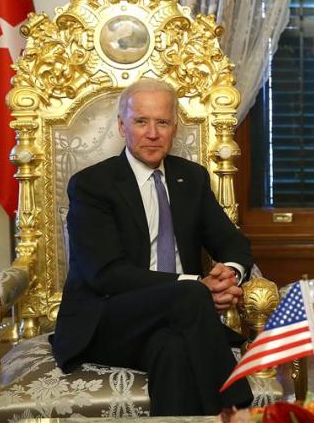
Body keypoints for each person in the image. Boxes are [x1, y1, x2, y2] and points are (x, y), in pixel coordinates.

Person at [51, 78, 254, 415]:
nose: (152, 133)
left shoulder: (191, 178)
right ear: (122, 126)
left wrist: (229, 275)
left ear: (174, 128)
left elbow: (231, 242)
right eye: (141, 121)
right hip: (109, 319)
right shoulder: (92, 185)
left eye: (162, 122)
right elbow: (105, 275)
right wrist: (197, 285)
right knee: (190, 294)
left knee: (172, 350)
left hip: (180, 318)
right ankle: (239, 409)